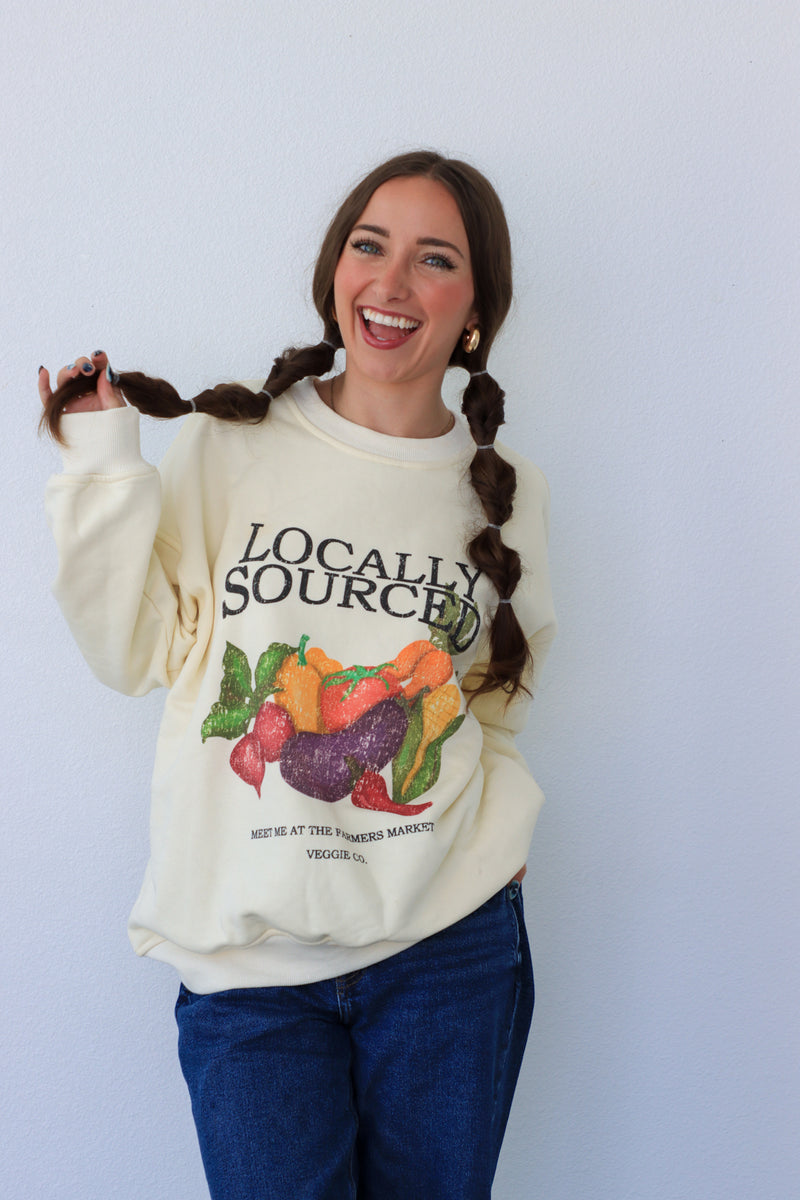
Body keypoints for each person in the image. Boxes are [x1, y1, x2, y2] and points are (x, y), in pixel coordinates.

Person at [39, 150, 556, 1200]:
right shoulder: (233, 449)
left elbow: (494, 703)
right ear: (334, 272)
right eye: (369, 246)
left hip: (448, 953)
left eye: (433, 259)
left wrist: (497, 841)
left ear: (473, 314)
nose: (390, 282)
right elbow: (129, 652)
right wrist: (100, 467)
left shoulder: (507, 493)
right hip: (251, 975)